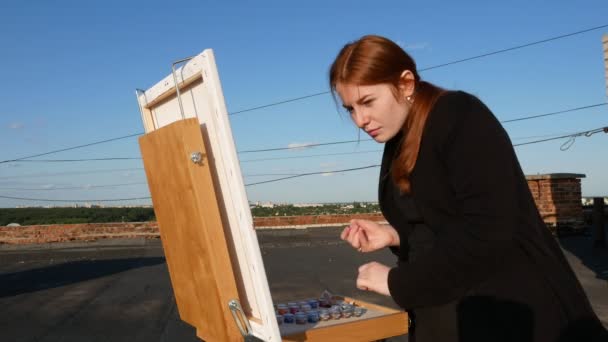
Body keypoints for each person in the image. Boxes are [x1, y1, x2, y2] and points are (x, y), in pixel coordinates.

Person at [330, 35, 607, 342]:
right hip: (444, 311)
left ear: (405, 84)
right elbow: (443, 221)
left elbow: (489, 231)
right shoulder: (397, 137)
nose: (360, 119)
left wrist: (398, 282)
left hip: (508, 314)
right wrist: (395, 235)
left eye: (367, 102)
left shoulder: (458, 114)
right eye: (350, 109)